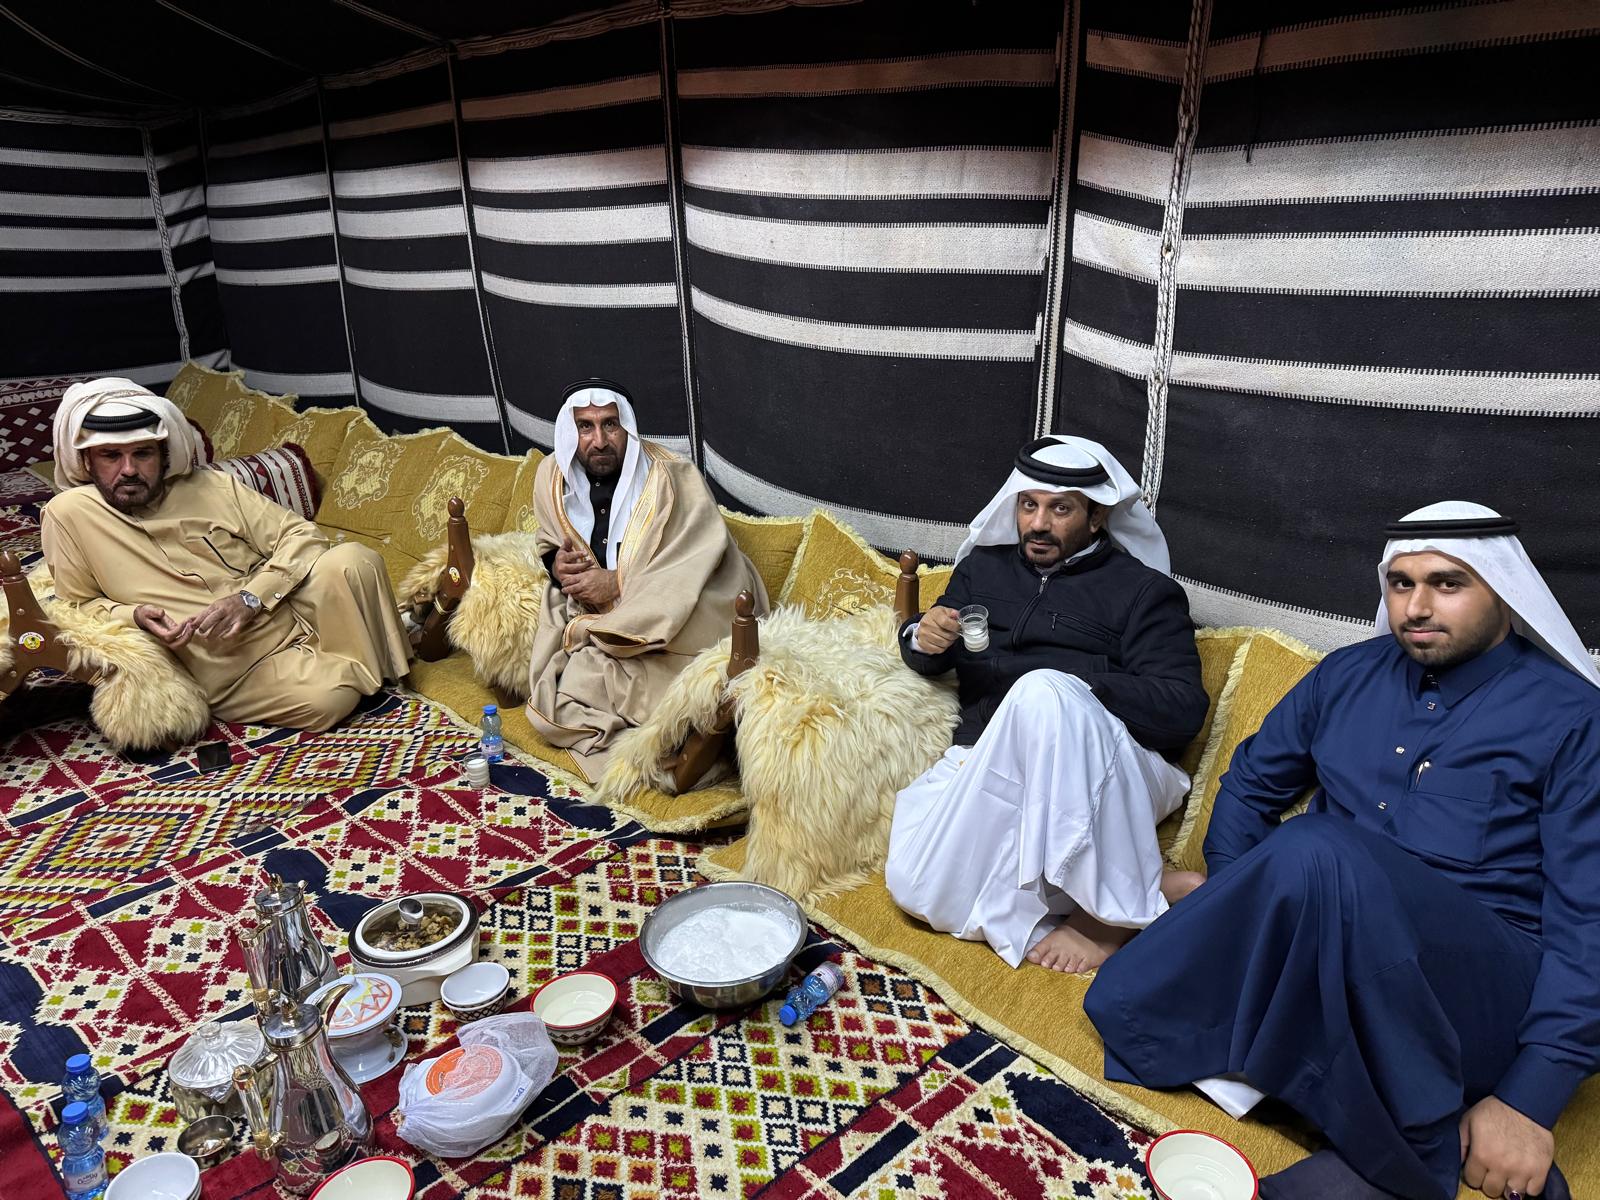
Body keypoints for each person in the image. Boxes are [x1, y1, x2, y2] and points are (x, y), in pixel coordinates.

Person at [1086, 502, 1597, 1200]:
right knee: (1121, 996)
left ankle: (1408, 1145)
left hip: (1477, 982)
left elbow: (1589, 921)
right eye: (1401, 583)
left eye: (1447, 584)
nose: (1417, 606)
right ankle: (1358, 1100)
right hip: (1330, 948)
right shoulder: (1346, 674)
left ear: (1503, 592)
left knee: (1319, 846)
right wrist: (1240, 894)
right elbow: (1249, 784)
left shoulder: (1574, 719)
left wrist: (1529, 1100)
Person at [885, 436, 1209, 974]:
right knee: (915, 884)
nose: (1038, 524)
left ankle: (1108, 917)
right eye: (1029, 505)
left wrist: (1076, 688)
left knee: (1042, 691)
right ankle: (1151, 886)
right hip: (993, 753)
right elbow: (930, 656)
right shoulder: (982, 569)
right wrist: (922, 636)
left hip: (1111, 766)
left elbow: (1182, 708)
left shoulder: (1143, 591)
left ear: (1097, 517)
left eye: (1060, 509)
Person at [41, 378, 411, 731]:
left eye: (142, 453)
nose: (129, 470)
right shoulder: (70, 514)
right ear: (86, 461)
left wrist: (251, 598)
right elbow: (76, 608)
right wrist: (133, 615)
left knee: (353, 560)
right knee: (327, 701)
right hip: (229, 664)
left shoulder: (211, 485)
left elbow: (299, 533)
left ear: (164, 455)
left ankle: (354, 655)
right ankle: (367, 651)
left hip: (286, 608)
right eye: (110, 456)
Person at [525, 379, 767, 781]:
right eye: (585, 427)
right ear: (571, 430)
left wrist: (617, 582)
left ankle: (690, 744)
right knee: (563, 688)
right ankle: (666, 745)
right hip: (605, 613)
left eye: (610, 424)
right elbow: (548, 539)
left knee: (588, 681)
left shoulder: (672, 476)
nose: (599, 441)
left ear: (628, 426)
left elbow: (695, 555)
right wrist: (557, 565)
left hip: (681, 606)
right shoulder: (552, 476)